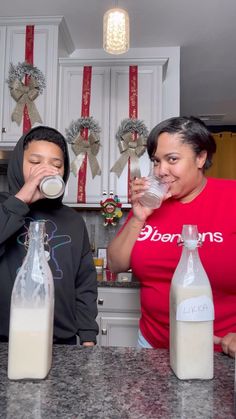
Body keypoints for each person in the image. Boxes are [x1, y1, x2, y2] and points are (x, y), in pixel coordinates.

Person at [107, 116, 236, 358]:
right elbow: (115, 264)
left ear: (201, 158)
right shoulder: (152, 205)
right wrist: (138, 217)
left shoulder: (232, 197)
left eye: (172, 159)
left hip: (218, 351)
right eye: (156, 161)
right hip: (152, 347)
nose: (160, 171)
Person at [0, 125, 98, 346]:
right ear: (18, 164)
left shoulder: (73, 220)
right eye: (35, 163)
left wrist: (88, 336)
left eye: (56, 165)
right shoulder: (4, 206)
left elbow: (85, 283)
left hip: (62, 342)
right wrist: (22, 199)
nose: (46, 170)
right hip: (7, 341)